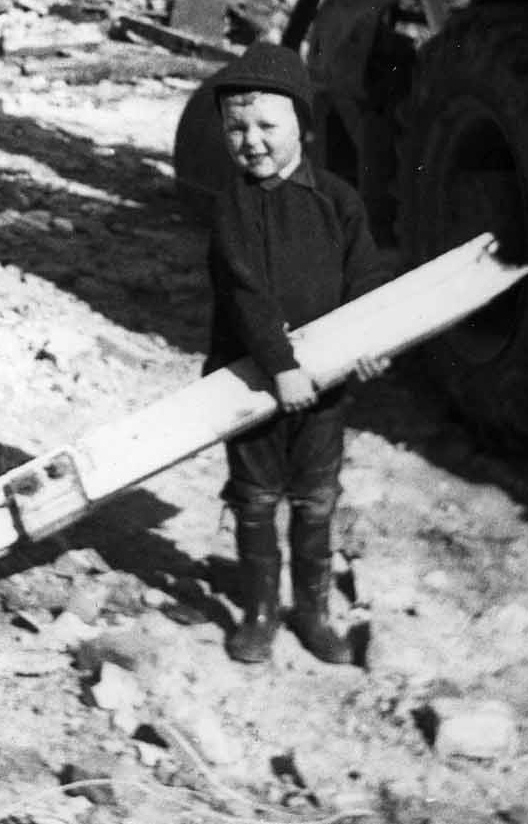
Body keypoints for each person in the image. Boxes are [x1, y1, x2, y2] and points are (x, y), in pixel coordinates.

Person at [205, 42, 391, 666]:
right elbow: (245, 290)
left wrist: (369, 344)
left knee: (316, 497)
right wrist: (280, 365)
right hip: (252, 377)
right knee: (255, 495)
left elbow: (364, 277)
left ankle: (311, 610)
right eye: (236, 127)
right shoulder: (232, 203)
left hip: (326, 385)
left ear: (302, 128)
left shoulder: (337, 200)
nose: (250, 140)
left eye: (266, 126)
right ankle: (259, 611)